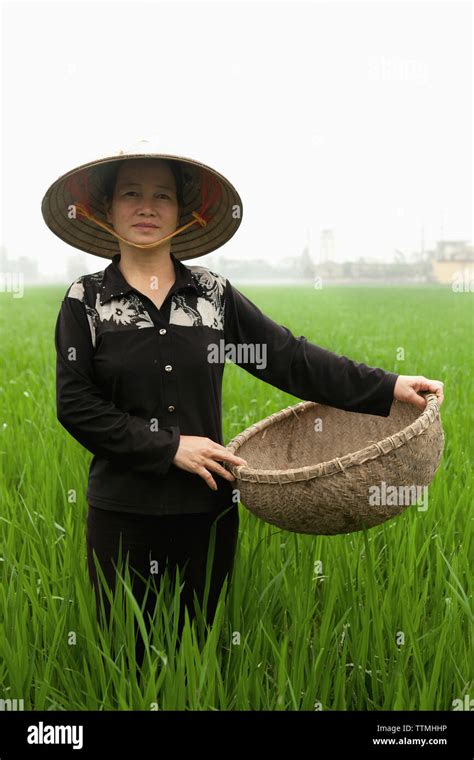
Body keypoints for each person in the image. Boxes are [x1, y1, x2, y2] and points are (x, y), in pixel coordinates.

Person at [42, 139, 444, 668]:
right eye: (131, 194)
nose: (146, 207)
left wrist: (387, 384)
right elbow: (76, 405)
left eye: (161, 196)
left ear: (182, 214)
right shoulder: (85, 301)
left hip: (205, 507)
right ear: (108, 209)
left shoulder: (212, 296)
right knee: (125, 659)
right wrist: (169, 448)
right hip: (122, 512)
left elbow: (288, 359)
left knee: (199, 656)